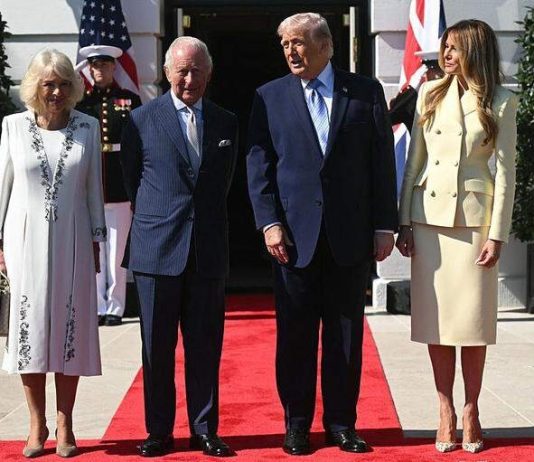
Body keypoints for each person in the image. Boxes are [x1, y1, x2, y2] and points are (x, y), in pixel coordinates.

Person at [246, 13, 398, 455]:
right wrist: (269, 222)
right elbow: (259, 165)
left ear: (326, 45)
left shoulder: (365, 92)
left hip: (350, 236)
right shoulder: (269, 96)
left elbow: (381, 162)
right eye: (284, 44)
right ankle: (296, 424)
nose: (290, 51)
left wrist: (384, 225)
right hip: (293, 239)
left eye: (297, 42)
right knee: (295, 336)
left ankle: (341, 424)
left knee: (345, 337)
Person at [396, 20, 517, 454]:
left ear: (475, 51)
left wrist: (497, 235)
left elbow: (507, 173)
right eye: (444, 47)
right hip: (429, 220)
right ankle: (444, 407)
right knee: (438, 322)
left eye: (454, 48)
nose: (445, 55)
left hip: (474, 224)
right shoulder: (429, 93)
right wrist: (404, 222)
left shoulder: (502, 101)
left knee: (473, 323)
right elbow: (414, 162)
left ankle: (471, 407)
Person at [120, 36, 237, 458]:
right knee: (156, 349)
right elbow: (133, 180)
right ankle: (159, 432)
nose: (190, 79)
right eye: (182, 71)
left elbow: (222, 184)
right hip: (156, 251)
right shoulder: (141, 120)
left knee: (205, 347)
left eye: (197, 71)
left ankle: (205, 430)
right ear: (167, 72)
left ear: (210, 73)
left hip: (206, 252)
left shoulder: (226, 122)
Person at [0, 49, 106, 457]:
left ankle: (65, 423)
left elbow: (93, 189)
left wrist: (97, 240)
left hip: (74, 239)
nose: (57, 91)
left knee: (68, 327)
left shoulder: (88, 127)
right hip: (23, 240)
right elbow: (3, 186)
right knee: (30, 329)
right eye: (49, 84)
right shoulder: (12, 126)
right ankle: (35, 423)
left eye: (64, 83)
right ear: (34, 86)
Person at [76, 45, 142, 327]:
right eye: (94, 66)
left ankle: (115, 306)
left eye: (104, 65)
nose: (98, 70)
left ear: (114, 67)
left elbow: (138, 144)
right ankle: (97, 305)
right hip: (90, 185)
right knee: (94, 249)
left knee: (116, 251)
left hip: (118, 186)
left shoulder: (128, 100)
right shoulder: (82, 103)